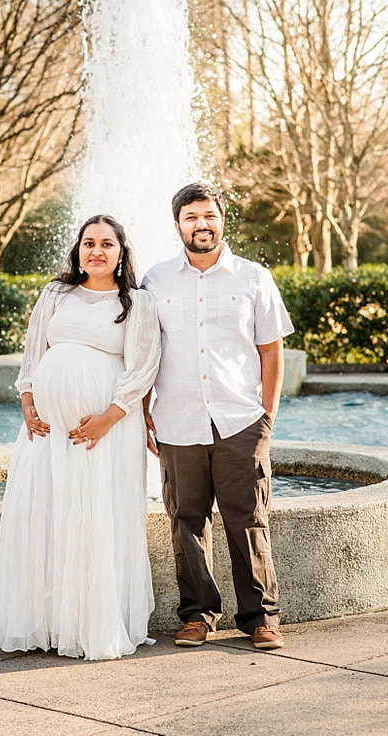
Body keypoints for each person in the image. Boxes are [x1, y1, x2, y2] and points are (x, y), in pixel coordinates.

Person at [0, 214, 161, 660]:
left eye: (107, 244)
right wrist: (28, 402)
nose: (96, 251)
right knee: (46, 512)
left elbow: (142, 369)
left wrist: (109, 417)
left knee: (94, 513)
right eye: (89, 243)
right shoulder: (55, 294)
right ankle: (45, 623)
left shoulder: (138, 304)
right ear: (78, 250)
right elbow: (32, 353)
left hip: (106, 432)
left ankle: (89, 624)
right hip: (45, 431)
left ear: (121, 253)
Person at [142, 181, 293, 651]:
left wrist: (266, 417)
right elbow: (145, 353)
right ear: (177, 225)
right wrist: (146, 414)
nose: (200, 224)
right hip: (177, 422)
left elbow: (271, 351)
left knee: (248, 519)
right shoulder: (155, 281)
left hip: (239, 421)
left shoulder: (253, 278)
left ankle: (261, 618)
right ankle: (198, 616)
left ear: (221, 219)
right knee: (185, 519)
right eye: (191, 218)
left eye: (208, 215)